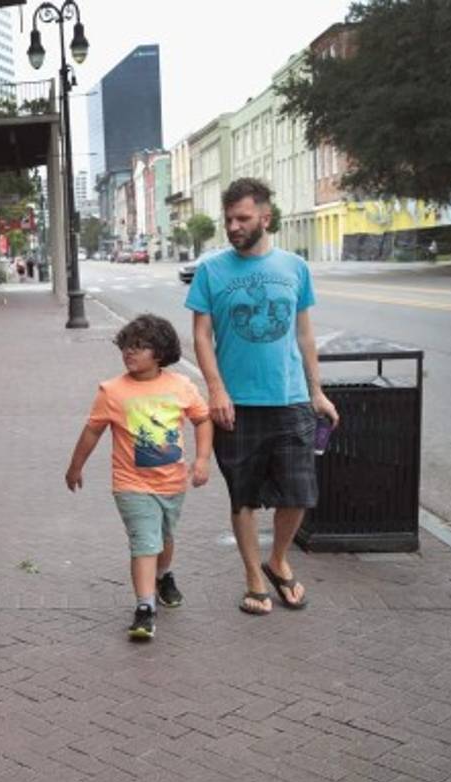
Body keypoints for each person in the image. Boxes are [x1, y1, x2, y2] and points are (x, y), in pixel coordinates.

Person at [184, 178, 339, 615]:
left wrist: (317, 392)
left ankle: (278, 560)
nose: (233, 226)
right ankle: (254, 578)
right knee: (244, 497)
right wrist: (215, 389)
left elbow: (304, 334)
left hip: (290, 399)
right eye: (228, 219)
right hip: (237, 404)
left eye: (243, 218)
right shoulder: (212, 270)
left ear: (265, 218)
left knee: (298, 494)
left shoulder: (294, 267)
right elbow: (200, 334)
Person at [65, 314, 212, 640]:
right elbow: (92, 432)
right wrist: (76, 466)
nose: (129, 353)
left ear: (159, 353)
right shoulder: (112, 391)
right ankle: (145, 607)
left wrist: (202, 460)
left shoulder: (181, 386)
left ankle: (165, 575)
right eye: (126, 347)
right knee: (145, 542)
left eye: (139, 347)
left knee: (165, 537)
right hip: (131, 484)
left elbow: (203, 420)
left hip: (172, 482)